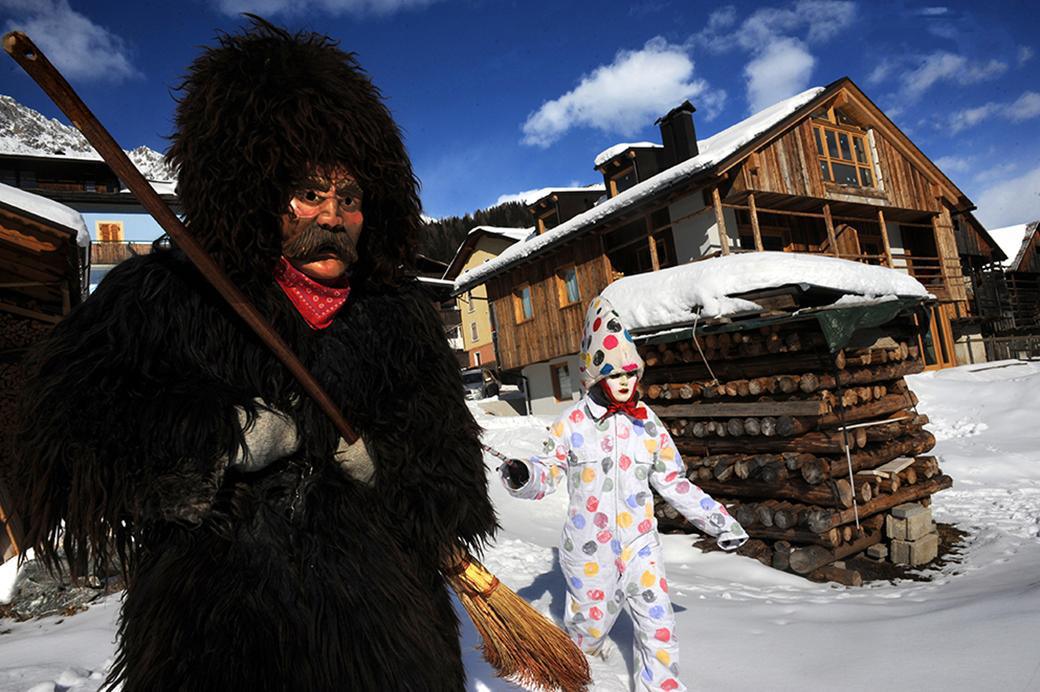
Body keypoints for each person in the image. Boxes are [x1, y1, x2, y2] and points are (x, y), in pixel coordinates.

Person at [10, 18, 496, 690]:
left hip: (384, 648)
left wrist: (388, 466)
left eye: (348, 198)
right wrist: (209, 438)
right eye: (310, 194)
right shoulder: (168, 297)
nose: (332, 216)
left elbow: (460, 492)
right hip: (213, 647)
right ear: (255, 193)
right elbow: (59, 438)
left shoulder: (401, 320)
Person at [500, 296, 747, 692]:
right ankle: (586, 666)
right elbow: (546, 471)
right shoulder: (573, 424)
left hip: (639, 544)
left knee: (658, 624)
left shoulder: (646, 423)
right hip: (587, 549)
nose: (625, 381)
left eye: (631, 373)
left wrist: (719, 521)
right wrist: (524, 474)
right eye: (615, 373)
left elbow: (674, 482)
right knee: (589, 628)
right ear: (595, 375)